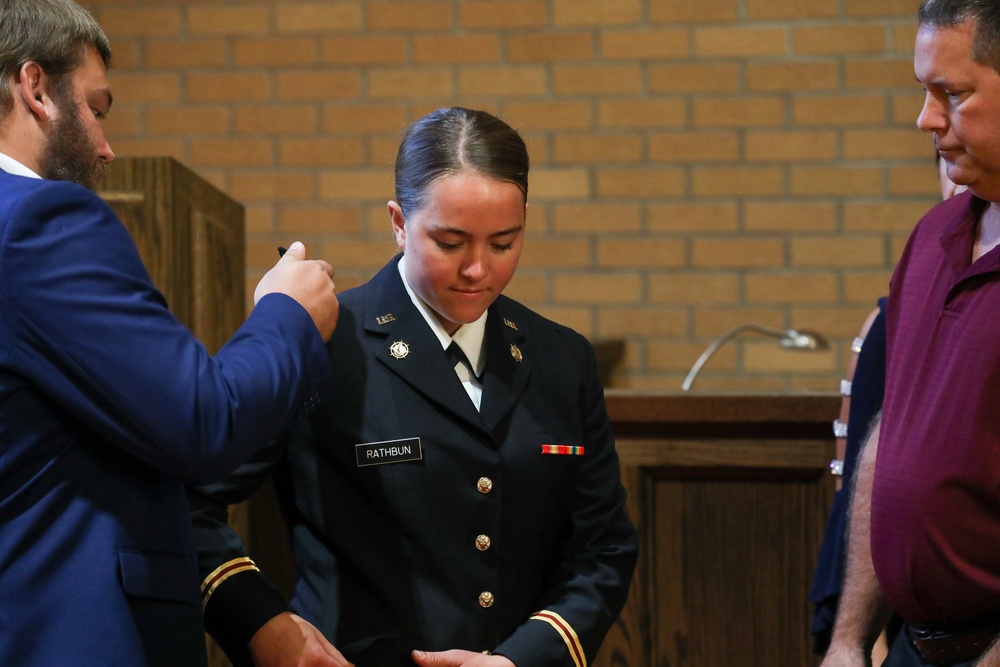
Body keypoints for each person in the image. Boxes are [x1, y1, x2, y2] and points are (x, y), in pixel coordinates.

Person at [189, 106, 639, 667]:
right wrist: (265, 628)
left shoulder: (560, 358)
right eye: (450, 243)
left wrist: (524, 659)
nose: (478, 270)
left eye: (503, 243)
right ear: (399, 222)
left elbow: (601, 548)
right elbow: (187, 504)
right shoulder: (325, 340)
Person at [0, 1, 339, 665]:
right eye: (96, 108)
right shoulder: (40, 223)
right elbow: (200, 417)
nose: (105, 147)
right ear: (36, 88)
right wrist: (287, 313)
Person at [822, 1, 1000, 665]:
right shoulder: (932, 238)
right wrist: (848, 637)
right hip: (911, 647)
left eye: (951, 94)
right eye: (924, 93)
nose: (925, 119)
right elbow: (888, 445)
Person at [809, 158, 966, 659]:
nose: (953, 175)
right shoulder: (898, 307)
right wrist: (860, 642)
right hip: (906, 628)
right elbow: (861, 482)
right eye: (941, 162)